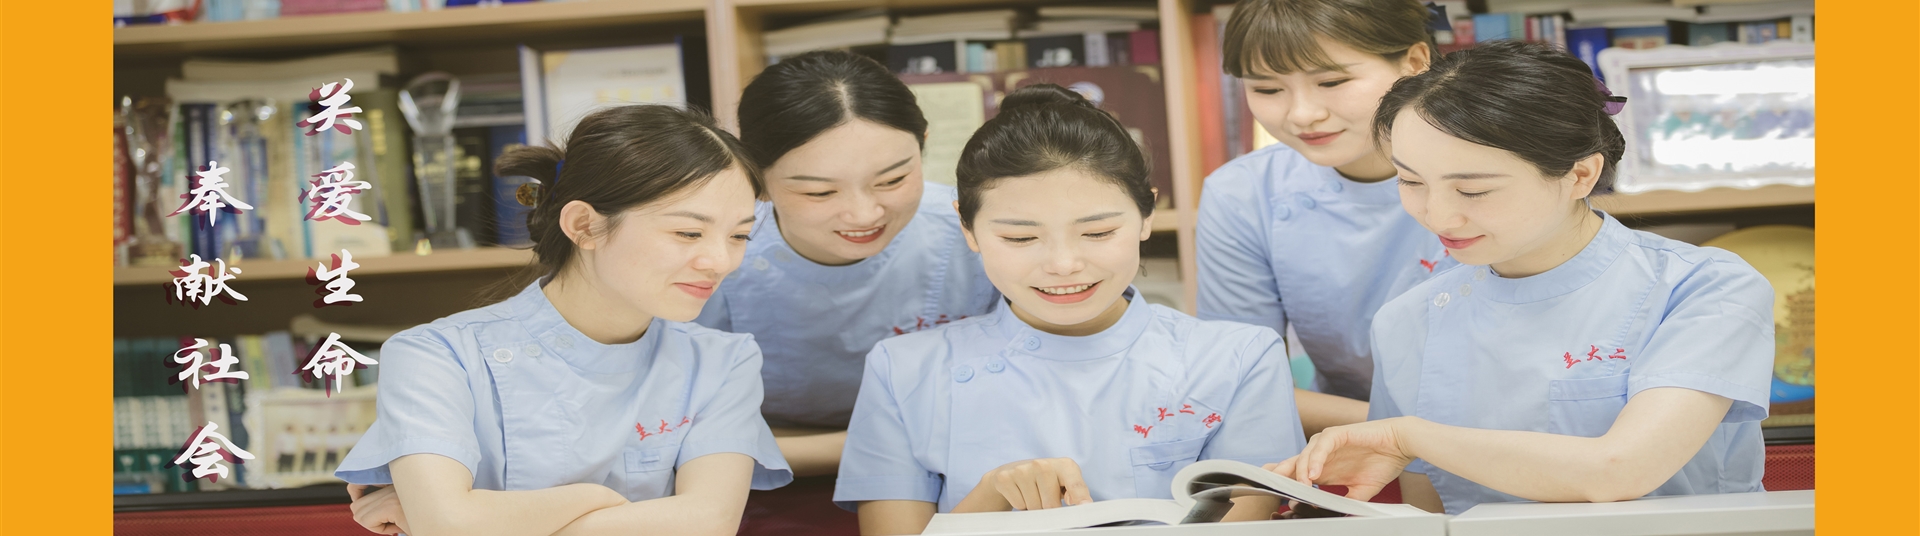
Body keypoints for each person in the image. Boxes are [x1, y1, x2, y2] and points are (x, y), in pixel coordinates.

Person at [1266, 40, 1774, 515]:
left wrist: (1408, 436)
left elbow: (1621, 470)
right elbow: (1432, 516)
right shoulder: (1408, 321)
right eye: (1411, 181)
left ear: (1580, 175)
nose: (1438, 217)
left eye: (1473, 191)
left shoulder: (1705, 288)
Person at [837, 85, 1305, 535]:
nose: (1063, 265)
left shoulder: (1239, 358)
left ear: (1146, 215)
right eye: (1021, 237)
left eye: (1098, 232)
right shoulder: (902, 371)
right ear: (968, 228)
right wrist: (991, 495)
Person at [334, 105, 792, 535]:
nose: (720, 261)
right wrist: (597, 498)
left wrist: (487, 520)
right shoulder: (436, 356)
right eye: (688, 232)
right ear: (584, 226)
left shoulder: (724, 361)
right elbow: (452, 525)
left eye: (739, 236)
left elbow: (709, 522)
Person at [696, 50, 999, 478]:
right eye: (820, 193)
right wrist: (889, 443)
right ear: (755, 178)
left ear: (924, 145)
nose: (864, 215)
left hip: (956, 473)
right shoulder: (709, 255)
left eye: (892, 180)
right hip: (756, 485)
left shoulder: (984, 231)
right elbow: (677, 431)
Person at [1197, 0, 1455, 435]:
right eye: (1267, 89)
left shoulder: (1505, 167)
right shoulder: (1242, 194)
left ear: (1414, 62)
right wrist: (1406, 436)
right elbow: (1240, 382)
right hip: (1349, 440)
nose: (1302, 114)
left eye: (1332, 81)